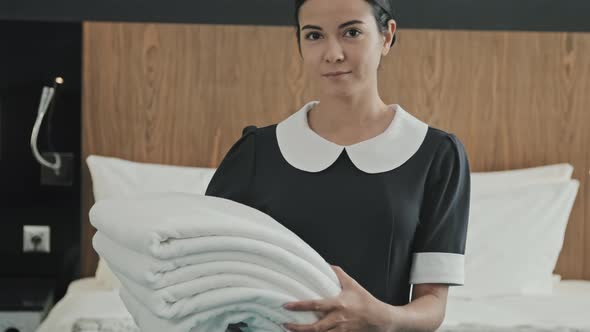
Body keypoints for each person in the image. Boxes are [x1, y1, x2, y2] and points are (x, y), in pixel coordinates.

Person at [206, 0, 471, 331]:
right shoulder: (254, 154)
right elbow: (210, 279)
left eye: (352, 32)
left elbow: (432, 305)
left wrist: (378, 317)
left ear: (387, 36)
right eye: (314, 36)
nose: (332, 53)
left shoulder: (435, 155)